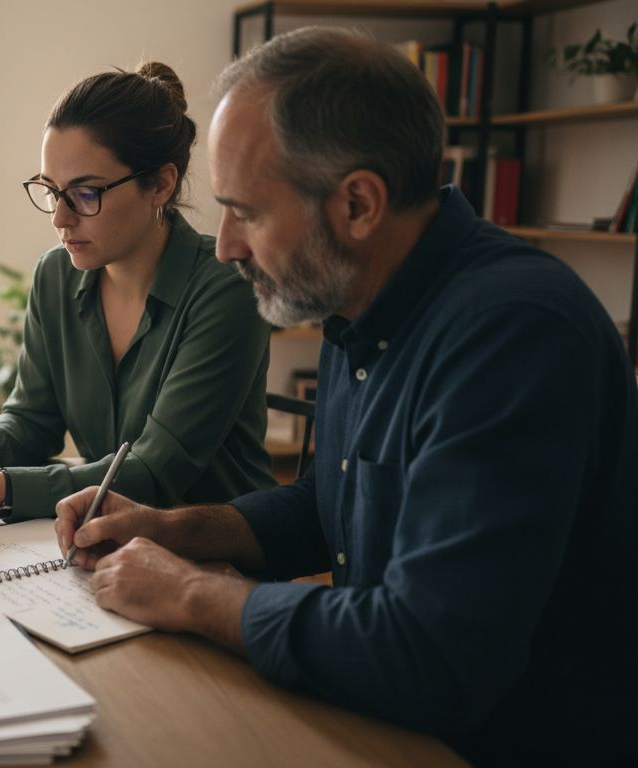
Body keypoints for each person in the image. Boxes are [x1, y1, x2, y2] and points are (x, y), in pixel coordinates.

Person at [55, 27, 638, 766]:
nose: (227, 245)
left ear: (358, 204)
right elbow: (329, 505)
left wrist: (193, 595)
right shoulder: (355, 299)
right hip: (378, 718)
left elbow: (429, 654)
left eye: (248, 212)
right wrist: (174, 528)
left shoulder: (513, 334)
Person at [0, 61, 275, 520]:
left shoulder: (226, 287)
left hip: (218, 544)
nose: (60, 218)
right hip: (106, 538)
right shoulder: (56, 277)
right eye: (51, 190)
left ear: (161, 184)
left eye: (86, 194)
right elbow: (32, 422)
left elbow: (155, 472)